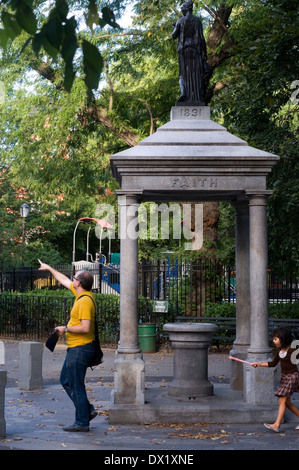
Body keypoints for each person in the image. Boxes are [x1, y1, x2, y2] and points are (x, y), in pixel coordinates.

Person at [38, 259, 97, 432]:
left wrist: (66, 329)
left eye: (75, 277)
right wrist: (49, 267)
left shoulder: (85, 301)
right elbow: (63, 279)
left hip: (80, 348)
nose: (72, 279)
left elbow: (85, 327)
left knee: (75, 383)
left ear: (78, 282)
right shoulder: (82, 294)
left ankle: (82, 422)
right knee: (66, 380)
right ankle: (87, 410)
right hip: (77, 348)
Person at [252, 326, 299, 432]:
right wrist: (258, 364)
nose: (273, 341)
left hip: (293, 377)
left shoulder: (292, 351)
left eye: (275, 339)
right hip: (285, 377)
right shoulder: (279, 351)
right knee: (286, 403)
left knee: (282, 399)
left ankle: (277, 425)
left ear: (283, 339)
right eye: (273, 338)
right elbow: (272, 364)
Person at [172, 0, 208, 104]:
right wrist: (205, 52)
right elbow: (202, 38)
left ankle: (184, 93)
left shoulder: (180, 21)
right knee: (196, 74)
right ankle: (197, 97)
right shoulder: (197, 21)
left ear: (186, 9)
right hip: (195, 50)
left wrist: (175, 27)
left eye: (182, 8)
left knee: (183, 74)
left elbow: (174, 35)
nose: (181, 10)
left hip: (184, 50)